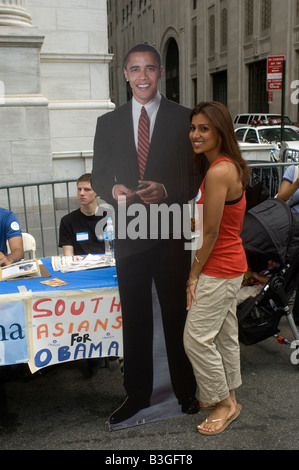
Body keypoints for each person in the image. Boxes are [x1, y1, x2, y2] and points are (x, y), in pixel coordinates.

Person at [92, 44, 203, 425]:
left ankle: (186, 391)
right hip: (129, 234)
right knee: (136, 316)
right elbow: (100, 176)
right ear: (125, 74)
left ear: (159, 73)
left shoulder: (184, 118)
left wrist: (168, 190)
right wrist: (113, 191)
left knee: (177, 315)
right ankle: (136, 395)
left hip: (170, 230)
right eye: (135, 69)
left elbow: (195, 176)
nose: (142, 77)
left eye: (150, 69)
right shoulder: (107, 123)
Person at [183, 101, 250, 435]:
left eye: (204, 128)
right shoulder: (226, 166)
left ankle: (221, 402)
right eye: (193, 128)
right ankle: (231, 398)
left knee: (195, 337)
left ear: (220, 131)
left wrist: (192, 276)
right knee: (224, 335)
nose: (196, 134)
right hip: (229, 265)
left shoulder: (219, 171)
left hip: (220, 267)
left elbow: (210, 233)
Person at [59, 173, 105, 256]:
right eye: (79, 189)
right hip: (80, 266)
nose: (81, 193)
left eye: (87, 189)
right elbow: (68, 255)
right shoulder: (67, 221)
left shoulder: (110, 217)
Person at [276, 165, 299, 325]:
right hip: (294, 228)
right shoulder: (294, 170)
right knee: (287, 272)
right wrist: (296, 184)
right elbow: (281, 198)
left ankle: (297, 316)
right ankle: (274, 313)